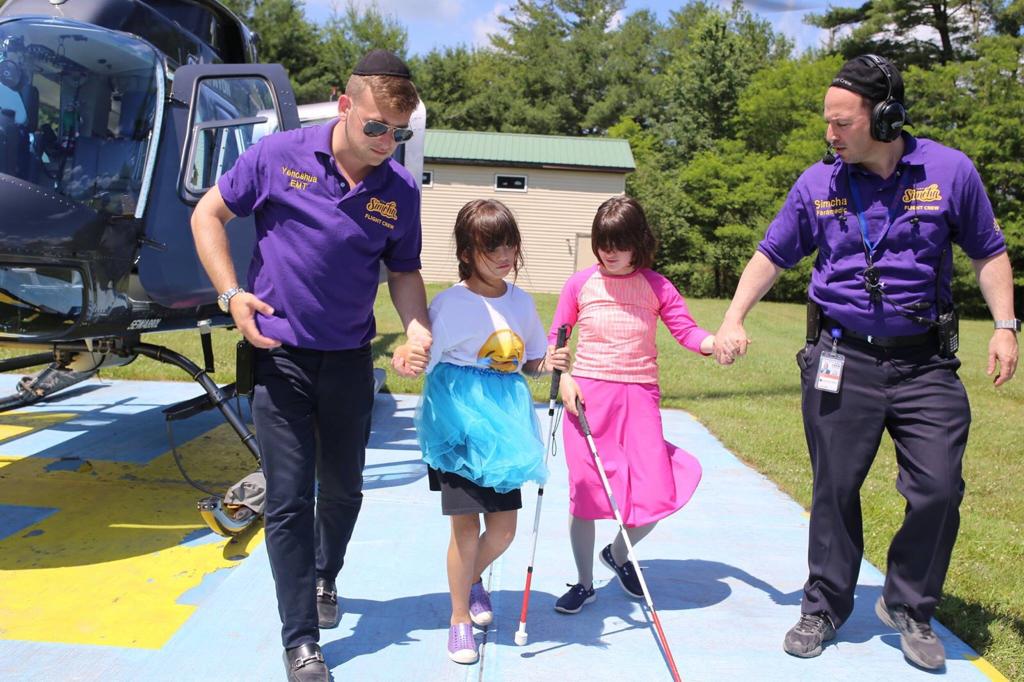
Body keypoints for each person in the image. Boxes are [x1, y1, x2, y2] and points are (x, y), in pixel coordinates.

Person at [714, 54, 1018, 670]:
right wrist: (733, 316)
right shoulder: (817, 184)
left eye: (841, 123)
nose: (830, 134)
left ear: (885, 117)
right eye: (828, 122)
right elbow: (772, 253)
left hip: (924, 363)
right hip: (841, 357)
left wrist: (1006, 327)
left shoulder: (949, 172)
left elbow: (989, 252)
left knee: (938, 488)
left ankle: (909, 604)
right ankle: (824, 606)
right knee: (834, 487)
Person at [191, 50, 432, 682]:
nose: (387, 142)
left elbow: (403, 271)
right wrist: (229, 294)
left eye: (399, 133)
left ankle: (325, 575)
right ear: (345, 104)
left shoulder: (400, 190)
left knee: (344, 491)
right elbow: (207, 213)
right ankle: (301, 641)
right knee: (291, 499)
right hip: (280, 358)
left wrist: (416, 326)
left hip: (351, 361)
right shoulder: (279, 155)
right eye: (377, 127)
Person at [409, 199, 569, 665]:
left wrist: (548, 362)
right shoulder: (451, 304)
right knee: (464, 530)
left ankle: (469, 579)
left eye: (510, 244)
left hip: (505, 430)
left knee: (502, 530)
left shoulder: (521, 302)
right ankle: (460, 618)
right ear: (466, 252)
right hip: (456, 424)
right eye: (490, 247)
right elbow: (427, 362)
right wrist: (408, 357)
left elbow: (530, 360)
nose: (504, 255)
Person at [549, 195, 716, 614]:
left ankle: (618, 554)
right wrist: (563, 378)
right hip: (586, 399)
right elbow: (557, 339)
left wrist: (716, 344)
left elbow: (687, 331)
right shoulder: (579, 284)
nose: (609, 252)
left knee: (656, 492)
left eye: (619, 244)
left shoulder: (658, 286)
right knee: (585, 494)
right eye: (603, 242)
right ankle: (585, 583)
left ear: (638, 242)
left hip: (639, 399)